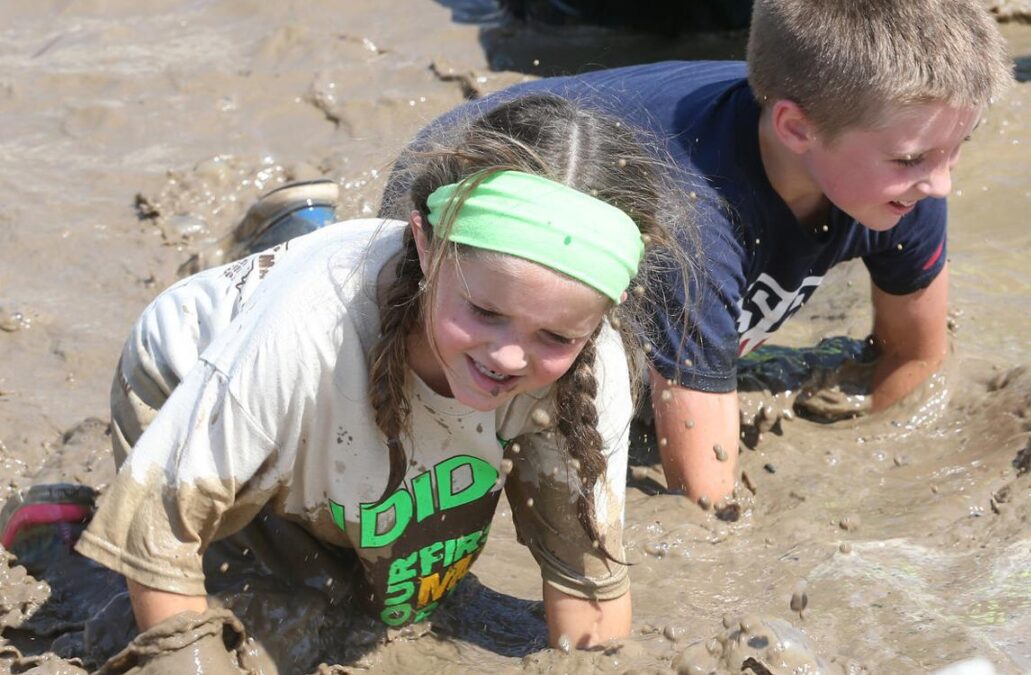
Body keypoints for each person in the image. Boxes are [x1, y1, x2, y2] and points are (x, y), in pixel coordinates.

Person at [0, 94, 689, 659]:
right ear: (424, 239)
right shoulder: (302, 338)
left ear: (605, 312)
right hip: (195, 371)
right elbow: (158, 538)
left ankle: (297, 234)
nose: (511, 355)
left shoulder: (588, 362)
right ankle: (59, 541)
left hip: (356, 364)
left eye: (554, 334)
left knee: (408, 590)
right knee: (286, 623)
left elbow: (591, 603)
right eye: (484, 309)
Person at [383, 0, 1014, 505]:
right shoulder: (697, 220)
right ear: (797, 128)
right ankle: (307, 239)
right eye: (914, 161)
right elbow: (704, 494)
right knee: (481, 409)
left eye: (957, 149)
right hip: (472, 193)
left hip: (672, 206)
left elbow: (915, 355)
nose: (942, 183)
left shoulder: (907, 174)